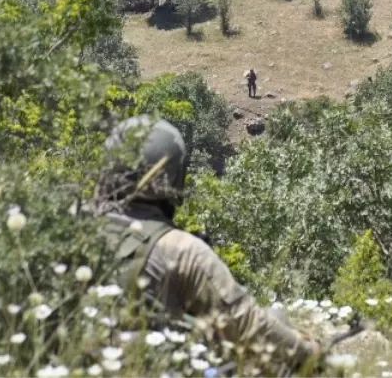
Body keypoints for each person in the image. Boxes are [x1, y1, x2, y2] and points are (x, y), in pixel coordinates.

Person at [97, 118, 322, 373]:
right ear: (174, 176)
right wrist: (310, 351)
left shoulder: (68, 224)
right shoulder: (179, 249)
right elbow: (249, 325)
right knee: (277, 345)